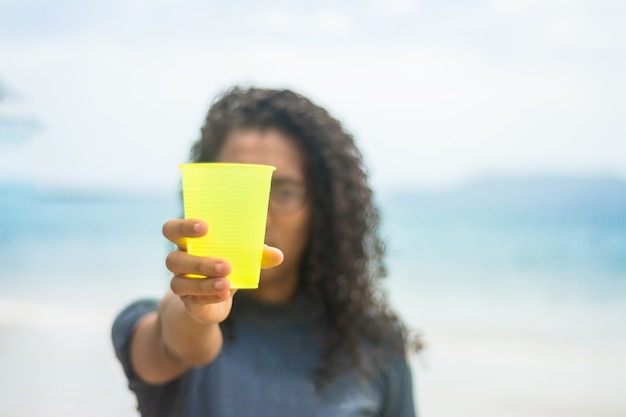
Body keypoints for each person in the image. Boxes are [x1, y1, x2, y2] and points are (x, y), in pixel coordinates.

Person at [112, 86, 421, 417]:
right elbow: (177, 341)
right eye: (236, 190)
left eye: (285, 191)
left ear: (321, 210)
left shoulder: (375, 350)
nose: (258, 215)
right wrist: (197, 310)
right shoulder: (147, 323)